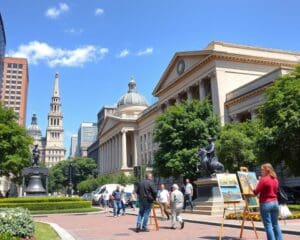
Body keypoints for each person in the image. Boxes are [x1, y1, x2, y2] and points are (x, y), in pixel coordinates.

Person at [252, 163, 283, 240]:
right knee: (275, 224)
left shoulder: (263, 179)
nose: (261, 171)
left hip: (266, 203)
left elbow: (256, 192)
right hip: (275, 203)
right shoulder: (275, 180)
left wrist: (251, 188)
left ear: (267, 170)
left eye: (262, 170)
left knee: (268, 225)